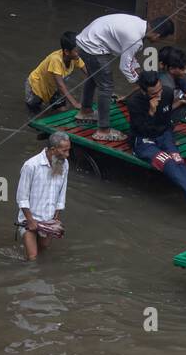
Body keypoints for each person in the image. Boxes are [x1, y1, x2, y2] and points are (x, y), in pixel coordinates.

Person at [125, 71, 186, 216]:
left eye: (160, 90)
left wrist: (178, 104)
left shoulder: (167, 93)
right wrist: (151, 111)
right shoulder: (134, 102)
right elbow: (141, 128)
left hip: (164, 134)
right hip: (143, 140)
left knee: (178, 160)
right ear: (143, 91)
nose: (159, 94)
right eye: (154, 93)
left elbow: (166, 117)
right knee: (167, 161)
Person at [75, 14, 175, 142]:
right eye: (161, 39)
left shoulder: (140, 25)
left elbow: (129, 57)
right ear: (157, 35)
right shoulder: (135, 39)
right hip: (92, 46)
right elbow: (124, 66)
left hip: (86, 38)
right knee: (106, 86)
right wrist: (141, 84)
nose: (158, 42)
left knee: (94, 77)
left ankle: (85, 111)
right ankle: (103, 130)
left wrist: (140, 72)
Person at [16, 131, 71, 261]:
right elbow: (22, 197)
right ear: (53, 149)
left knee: (43, 250)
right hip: (29, 219)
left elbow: (61, 193)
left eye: (69, 150)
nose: (67, 155)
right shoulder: (31, 165)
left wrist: (55, 219)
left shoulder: (64, 164)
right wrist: (30, 220)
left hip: (49, 220)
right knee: (33, 257)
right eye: (64, 151)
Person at [24, 32, 85, 117]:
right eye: (76, 50)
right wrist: (75, 103)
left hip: (52, 88)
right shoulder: (56, 60)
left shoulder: (75, 57)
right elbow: (61, 85)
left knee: (63, 110)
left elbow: (87, 71)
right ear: (67, 52)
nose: (79, 52)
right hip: (36, 87)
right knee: (36, 115)